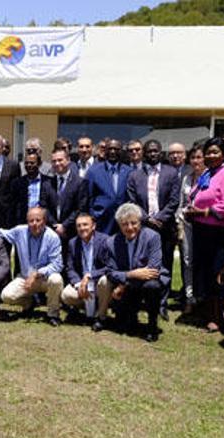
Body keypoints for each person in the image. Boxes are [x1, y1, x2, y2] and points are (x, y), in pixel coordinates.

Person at [184, 137, 224, 333]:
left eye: (215, 152)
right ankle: (208, 313)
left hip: (217, 232)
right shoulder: (208, 173)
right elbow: (197, 194)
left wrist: (203, 212)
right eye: (208, 152)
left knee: (217, 273)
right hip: (201, 229)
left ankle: (220, 318)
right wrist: (193, 209)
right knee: (204, 272)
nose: (211, 155)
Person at [126, 139, 180, 319]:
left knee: (165, 265)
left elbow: (174, 200)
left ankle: (161, 304)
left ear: (161, 152)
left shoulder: (171, 173)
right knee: (142, 262)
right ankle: (143, 300)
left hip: (165, 226)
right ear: (144, 153)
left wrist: (160, 218)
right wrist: (147, 219)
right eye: (149, 151)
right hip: (143, 226)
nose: (152, 154)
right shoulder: (135, 175)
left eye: (155, 151)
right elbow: (132, 200)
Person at [0, 207, 64, 326]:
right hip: (25, 278)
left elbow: (57, 264)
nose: (34, 224)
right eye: (31, 221)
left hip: (45, 279)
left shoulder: (52, 237)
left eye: (38, 220)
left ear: (44, 221)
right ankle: (29, 304)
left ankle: (53, 314)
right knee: (6, 296)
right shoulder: (20, 231)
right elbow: (1, 233)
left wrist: (37, 273)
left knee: (56, 280)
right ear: (27, 222)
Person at [108, 203, 169, 342]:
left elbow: (153, 268)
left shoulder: (153, 237)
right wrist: (131, 275)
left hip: (148, 282)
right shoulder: (111, 242)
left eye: (134, 223)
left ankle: (152, 325)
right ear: (119, 225)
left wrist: (125, 282)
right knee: (126, 327)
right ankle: (131, 317)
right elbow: (110, 272)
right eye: (125, 224)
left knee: (152, 286)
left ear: (140, 222)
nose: (130, 228)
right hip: (128, 285)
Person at [61, 213, 115, 331]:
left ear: (93, 226)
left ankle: (101, 318)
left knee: (105, 281)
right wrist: (78, 284)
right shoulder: (73, 243)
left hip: (98, 283)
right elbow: (70, 268)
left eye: (85, 224)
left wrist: (90, 275)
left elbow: (110, 267)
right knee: (66, 295)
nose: (82, 228)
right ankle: (89, 309)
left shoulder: (105, 240)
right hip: (83, 284)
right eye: (79, 226)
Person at [177, 144, 205, 314]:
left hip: (205, 226)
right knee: (187, 261)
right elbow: (181, 204)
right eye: (193, 157)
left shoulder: (210, 177)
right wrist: (179, 222)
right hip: (187, 225)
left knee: (202, 262)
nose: (196, 161)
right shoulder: (186, 179)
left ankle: (203, 298)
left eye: (199, 157)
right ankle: (189, 298)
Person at [88, 139, 132, 234]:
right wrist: (93, 216)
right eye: (110, 149)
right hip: (101, 221)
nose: (113, 152)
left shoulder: (129, 171)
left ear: (121, 151)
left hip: (123, 221)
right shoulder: (94, 171)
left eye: (116, 149)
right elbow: (89, 197)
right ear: (105, 151)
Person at [48, 149, 88, 243]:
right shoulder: (47, 183)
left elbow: (80, 208)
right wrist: (55, 226)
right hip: (52, 232)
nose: (57, 163)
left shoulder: (80, 182)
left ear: (68, 160)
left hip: (71, 232)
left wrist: (64, 226)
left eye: (60, 160)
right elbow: (44, 207)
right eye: (54, 161)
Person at [10, 152, 57, 226]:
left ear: (39, 164)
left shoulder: (49, 182)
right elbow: (13, 206)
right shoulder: (17, 183)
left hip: (44, 223)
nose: (29, 165)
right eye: (26, 163)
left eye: (32, 163)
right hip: (23, 223)